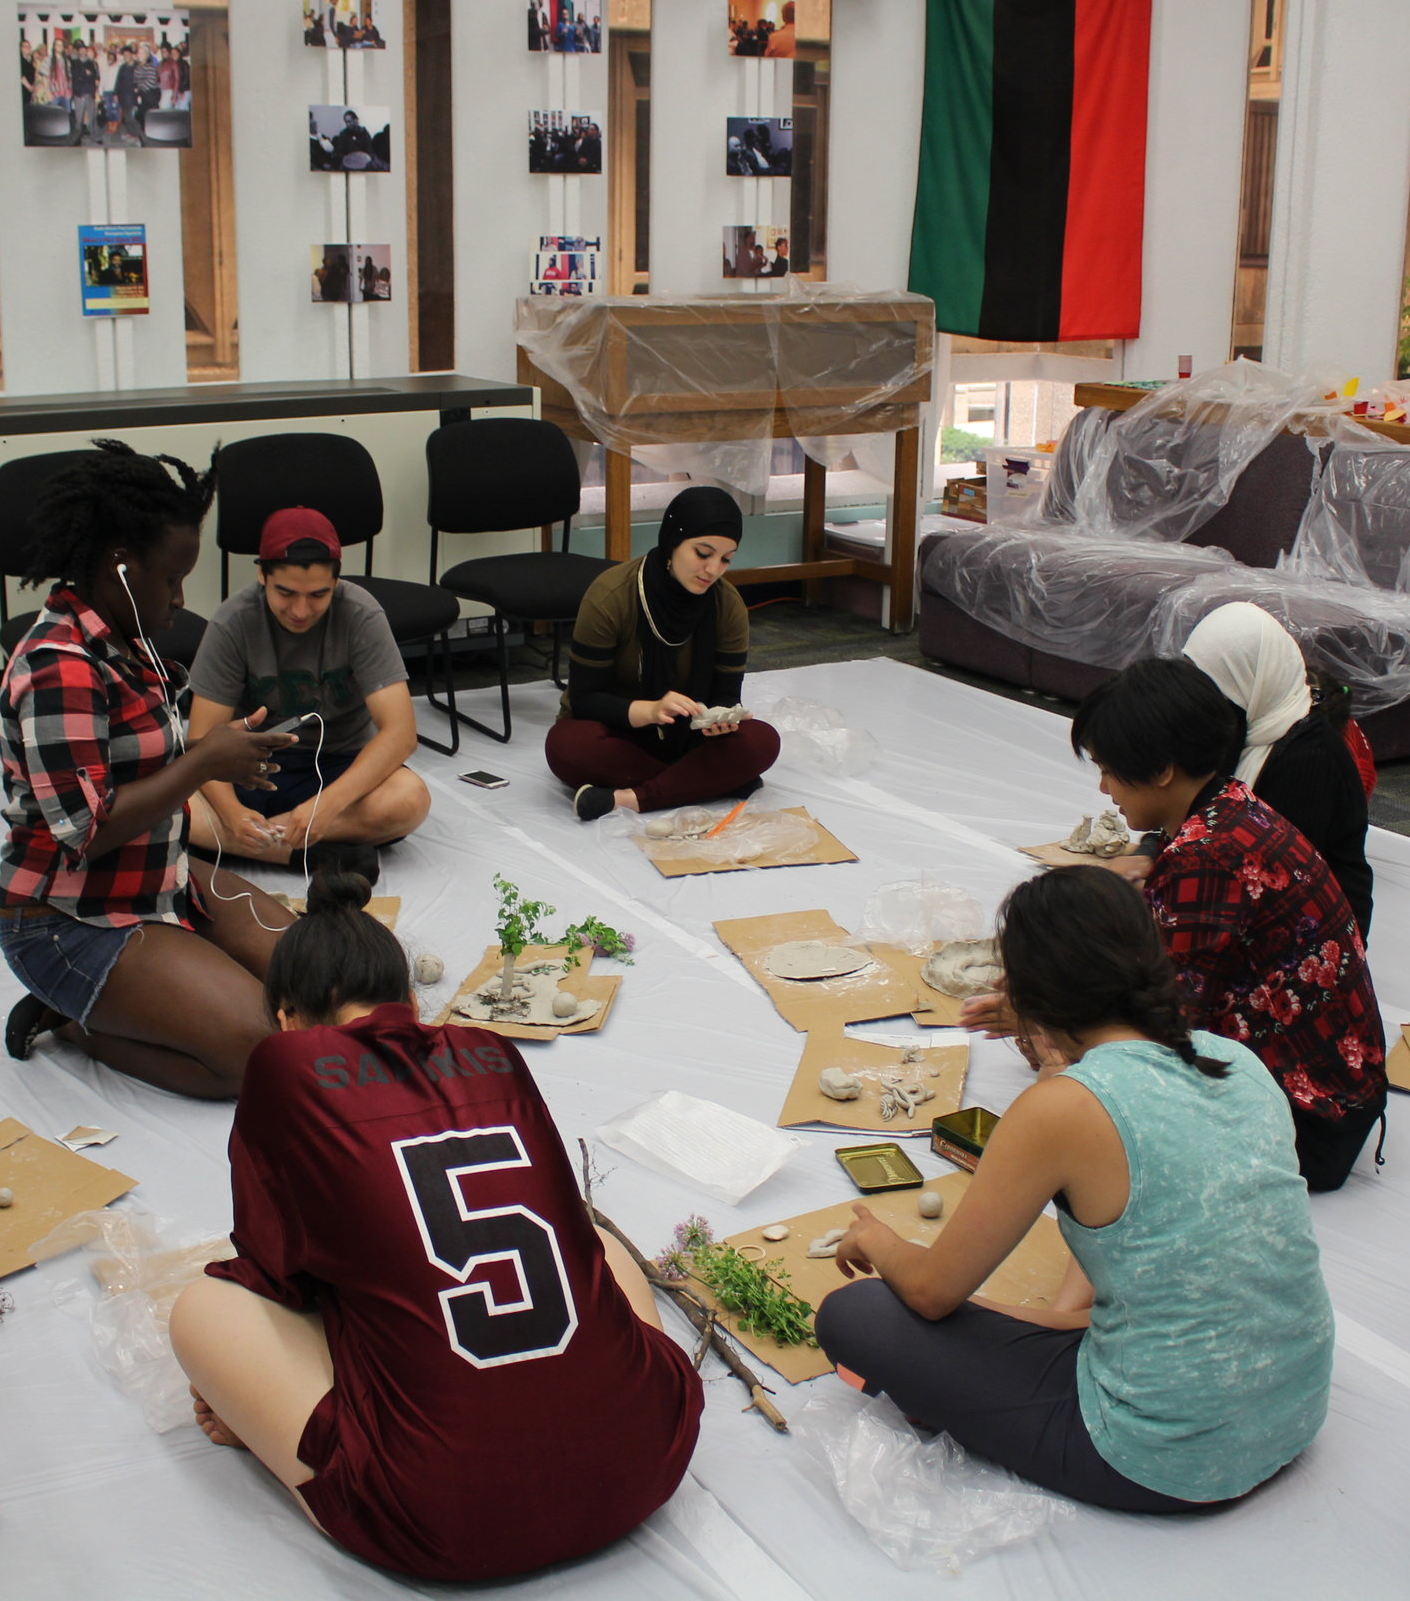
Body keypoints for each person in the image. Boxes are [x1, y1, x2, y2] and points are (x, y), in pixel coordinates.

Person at [169, 870, 702, 1582]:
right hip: (646, 1461)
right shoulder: (494, 1050)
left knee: (204, 1305)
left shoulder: (284, 1066)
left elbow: (275, 1274)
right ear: (412, 1003)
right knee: (596, 1238)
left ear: (288, 1018)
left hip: (442, 1520)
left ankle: (274, 1433)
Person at [819, 865, 1334, 1513]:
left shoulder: (1059, 1109)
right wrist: (1044, 1025)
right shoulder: (1236, 1061)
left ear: (1033, 997)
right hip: (1294, 1406)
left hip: (1169, 1457)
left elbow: (929, 1291)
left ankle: (1038, 1351)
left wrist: (879, 1239)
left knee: (858, 1312)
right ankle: (1065, 1328)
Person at [977, 658, 1386, 1190]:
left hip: (1305, 1123)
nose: (1104, 789)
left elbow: (1161, 1032)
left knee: (1074, 1109)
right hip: (1342, 1095)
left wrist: (1045, 1019)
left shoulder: (1207, 855)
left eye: (1108, 768)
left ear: (1162, 769)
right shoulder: (1228, 804)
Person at [0, 440, 299, 1099]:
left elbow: (148, 764)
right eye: (171, 578)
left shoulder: (124, 641)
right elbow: (84, 832)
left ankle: (170, 982)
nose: (181, 596)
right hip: (64, 919)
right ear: (120, 566)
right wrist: (202, 764)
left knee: (318, 979)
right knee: (260, 1056)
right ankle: (73, 1020)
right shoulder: (59, 668)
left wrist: (226, 752)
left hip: (156, 879)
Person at [184, 506, 430, 870]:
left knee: (410, 800)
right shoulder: (234, 620)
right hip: (249, 766)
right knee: (165, 805)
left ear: (336, 583)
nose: (300, 610)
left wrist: (326, 806)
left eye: (318, 595)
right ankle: (314, 851)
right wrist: (233, 812)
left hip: (338, 765)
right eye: (286, 592)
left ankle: (261, 844)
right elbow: (202, 741)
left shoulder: (360, 614)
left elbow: (401, 733)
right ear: (262, 576)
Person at [547, 485, 781, 819]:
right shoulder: (611, 595)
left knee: (763, 741)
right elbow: (585, 699)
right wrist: (652, 710)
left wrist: (720, 721)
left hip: (689, 738)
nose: (713, 570)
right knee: (567, 747)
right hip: (617, 730)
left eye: (726, 559)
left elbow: (725, 696)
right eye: (703, 553)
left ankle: (629, 799)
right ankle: (708, 780)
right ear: (672, 542)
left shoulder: (727, 605)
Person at [1180, 602, 1373, 936]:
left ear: (1247, 681)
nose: (1202, 700)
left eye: (1214, 685)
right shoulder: (1248, 726)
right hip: (1255, 906)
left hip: (1309, 935)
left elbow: (1273, 878)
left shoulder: (1308, 755)